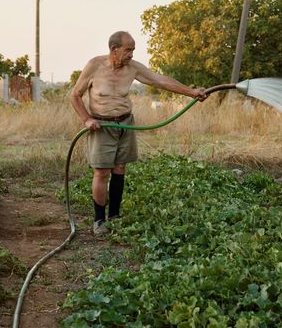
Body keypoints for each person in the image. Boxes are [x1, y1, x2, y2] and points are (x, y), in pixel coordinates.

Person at [70, 31, 207, 236]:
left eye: (133, 50)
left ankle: (114, 216)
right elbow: (75, 95)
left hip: (125, 123)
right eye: (128, 50)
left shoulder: (132, 68)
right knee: (102, 172)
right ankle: (99, 220)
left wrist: (191, 92)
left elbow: (160, 80)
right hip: (102, 126)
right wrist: (87, 119)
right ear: (114, 49)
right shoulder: (94, 66)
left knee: (120, 168)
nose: (132, 55)